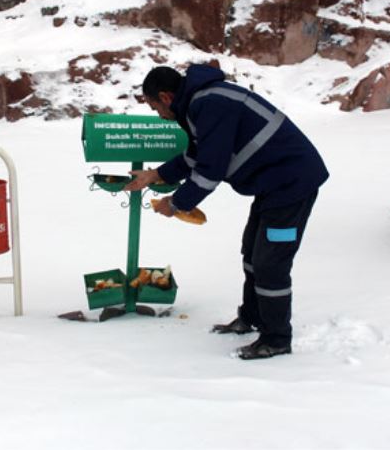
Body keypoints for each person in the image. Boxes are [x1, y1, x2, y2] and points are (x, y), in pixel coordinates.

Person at [125, 64, 329, 360]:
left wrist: (177, 203)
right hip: (273, 184)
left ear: (166, 97)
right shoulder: (200, 103)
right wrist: (155, 174)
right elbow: (197, 156)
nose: (158, 115)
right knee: (252, 254)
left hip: (292, 185)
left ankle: (276, 339)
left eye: (155, 107)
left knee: (270, 263)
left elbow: (210, 170)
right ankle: (251, 317)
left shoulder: (210, 104)